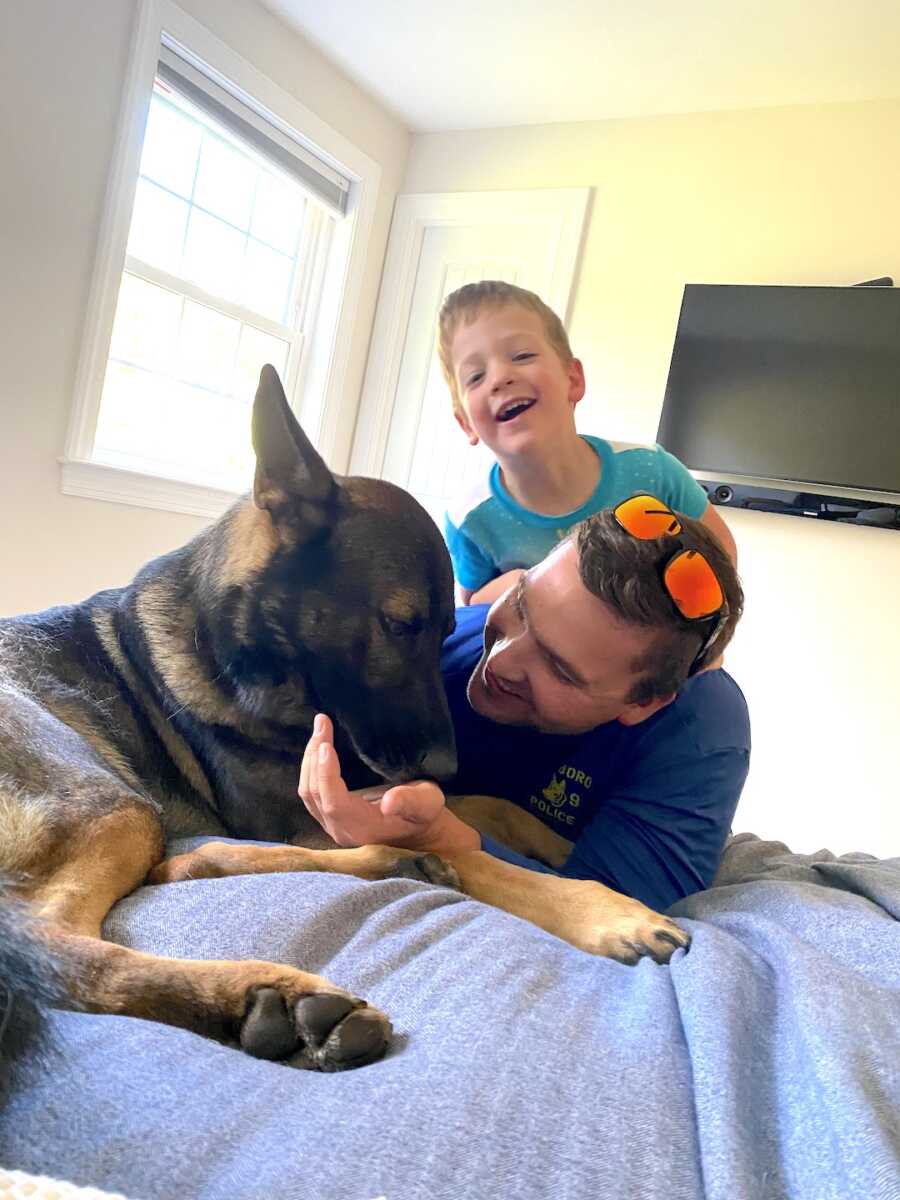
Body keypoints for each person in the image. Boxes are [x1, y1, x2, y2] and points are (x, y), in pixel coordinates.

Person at [299, 498, 750, 913]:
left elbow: (619, 915)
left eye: (560, 669)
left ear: (643, 703)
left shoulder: (699, 734)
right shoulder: (431, 644)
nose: (499, 660)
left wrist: (444, 840)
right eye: (520, 602)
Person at [438, 280, 737, 605]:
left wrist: (705, 653)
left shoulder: (654, 472)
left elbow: (722, 560)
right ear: (465, 422)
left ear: (573, 380)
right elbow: (473, 616)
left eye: (522, 356)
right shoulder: (469, 521)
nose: (500, 378)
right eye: (476, 377)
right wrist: (521, 584)